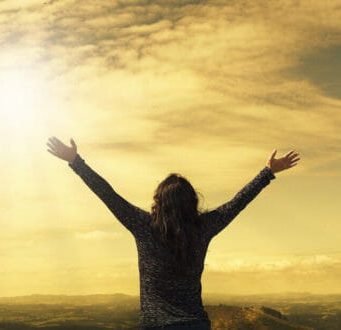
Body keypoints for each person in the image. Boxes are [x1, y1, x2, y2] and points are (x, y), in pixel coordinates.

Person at [46, 136, 300, 330]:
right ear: (191, 202)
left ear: (159, 201)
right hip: (196, 325)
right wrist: (267, 173)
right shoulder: (203, 228)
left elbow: (108, 195)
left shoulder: (143, 226)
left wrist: (76, 162)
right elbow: (237, 203)